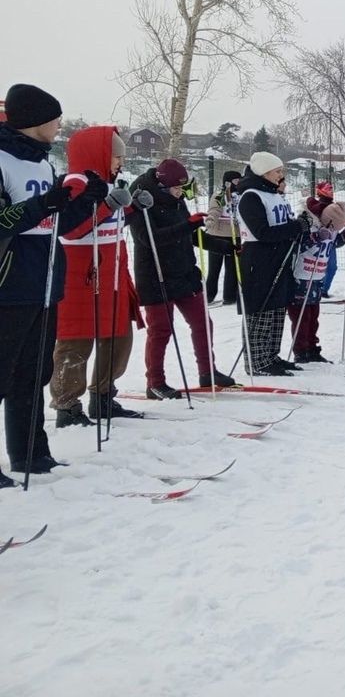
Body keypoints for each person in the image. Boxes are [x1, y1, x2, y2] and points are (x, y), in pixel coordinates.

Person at [0, 83, 106, 482]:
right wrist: (42, 203)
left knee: (33, 373)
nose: (60, 124)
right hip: (9, 284)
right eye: (55, 118)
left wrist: (86, 199)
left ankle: (30, 453)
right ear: (35, 120)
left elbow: (55, 223)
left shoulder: (43, 165)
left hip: (43, 282)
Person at [49, 125, 145, 426]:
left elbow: (107, 222)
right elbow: (74, 227)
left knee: (117, 337)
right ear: (99, 154)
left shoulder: (106, 184)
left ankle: (103, 395)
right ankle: (67, 406)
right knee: (76, 343)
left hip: (111, 274)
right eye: (116, 156)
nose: (121, 163)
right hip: (81, 278)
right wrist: (109, 205)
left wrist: (132, 210)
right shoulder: (75, 183)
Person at [128, 158, 230, 397]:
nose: (180, 194)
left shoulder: (177, 201)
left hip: (184, 271)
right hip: (156, 275)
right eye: (176, 189)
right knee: (161, 330)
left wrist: (226, 247)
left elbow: (192, 235)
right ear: (162, 186)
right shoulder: (141, 201)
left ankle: (208, 372)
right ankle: (155, 382)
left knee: (202, 322)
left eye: (182, 189)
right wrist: (188, 225)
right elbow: (150, 239)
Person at [237, 152, 314, 377]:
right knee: (261, 308)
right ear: (264, 172)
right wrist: (295, 227)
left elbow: (283, 224)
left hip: (279, 256)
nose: (281, 175)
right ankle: (257, 360)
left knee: (277, 307)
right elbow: (262, 232)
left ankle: (271, 355)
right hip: (259, 259)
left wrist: (299, 224)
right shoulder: (251, 196)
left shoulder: (272, 194)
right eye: (277, 171)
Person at [288, 198, 345, 363]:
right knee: (301, 317)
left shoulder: (330, 226)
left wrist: (344, 236)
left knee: (313, 316)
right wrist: (315, 237)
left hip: (317, 277)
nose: (333, 231)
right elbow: (296, 245)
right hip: (301, 276)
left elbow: (331, 244)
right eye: (334, 228)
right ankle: (301, 350)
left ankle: (312, 347)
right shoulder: (308, 223)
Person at [204, 170, 241, 305]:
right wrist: (210, 220)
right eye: (235, 181)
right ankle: (209, 296)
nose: (238, 184)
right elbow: (214, 210)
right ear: (228, 182)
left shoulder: (241, 195)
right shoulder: (220, 195)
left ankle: (230, 296)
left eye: (239, 181)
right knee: (214, 268)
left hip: (234, 235)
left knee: (232, 269)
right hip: (217, 236)